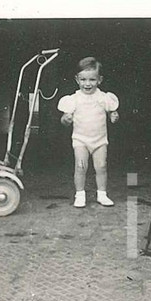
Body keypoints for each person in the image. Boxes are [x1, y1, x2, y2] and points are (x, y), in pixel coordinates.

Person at [58, 57, 120, 208]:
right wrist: (66, 119)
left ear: (99, 80)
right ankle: (80, 195)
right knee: (80, 166)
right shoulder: (74, 99)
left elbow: (113, 111)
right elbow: (64, 120)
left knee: (101, 166)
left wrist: (114, 116)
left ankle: (102, 194)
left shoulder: (104, 97)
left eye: (92, 79)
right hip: (81, 140)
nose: (87, 83)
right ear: (77, 79)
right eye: (83, 79)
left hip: (100, 140)